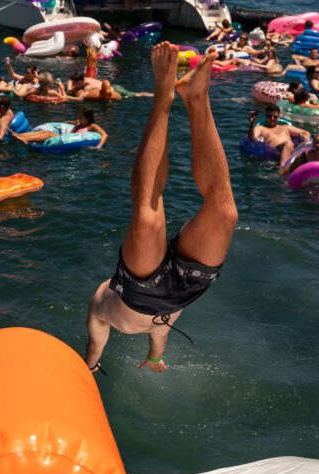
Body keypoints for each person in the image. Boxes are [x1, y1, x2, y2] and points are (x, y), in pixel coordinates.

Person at [85, 44, 237, 374]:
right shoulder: (159, 327)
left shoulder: (101, 302)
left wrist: (91, 365)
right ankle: (196, 96)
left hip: (138, 291)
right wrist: (154, 358)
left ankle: (164, 95)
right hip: (185, 290)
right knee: (225, 214)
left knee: (146, 219)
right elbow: (160, 336)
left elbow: (96, 339)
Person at [248, 105, 311, 175]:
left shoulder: (286, 127)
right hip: (276, 149)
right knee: (288, 144)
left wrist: (305, 138)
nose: (272, 118)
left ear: (278, 117)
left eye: (275, 117)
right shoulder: (261, 128)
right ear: (265, 116)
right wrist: (251, 125)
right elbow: (252, 138)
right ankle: (282, 171)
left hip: (291, 149)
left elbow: (305, 132)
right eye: (269, 116)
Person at [12, 108, 108, 149]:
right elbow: (69, 123)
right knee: (44, 131)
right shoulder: (78, 122)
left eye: (81, 117)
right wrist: (64, 124)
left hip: (65, 140)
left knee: (48, 134)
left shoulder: (92, 126)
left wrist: (99, 146)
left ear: (87, 119)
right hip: (63, 136)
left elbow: (104, 134)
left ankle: (26, 138)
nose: (78, 119)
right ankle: (19, 135)